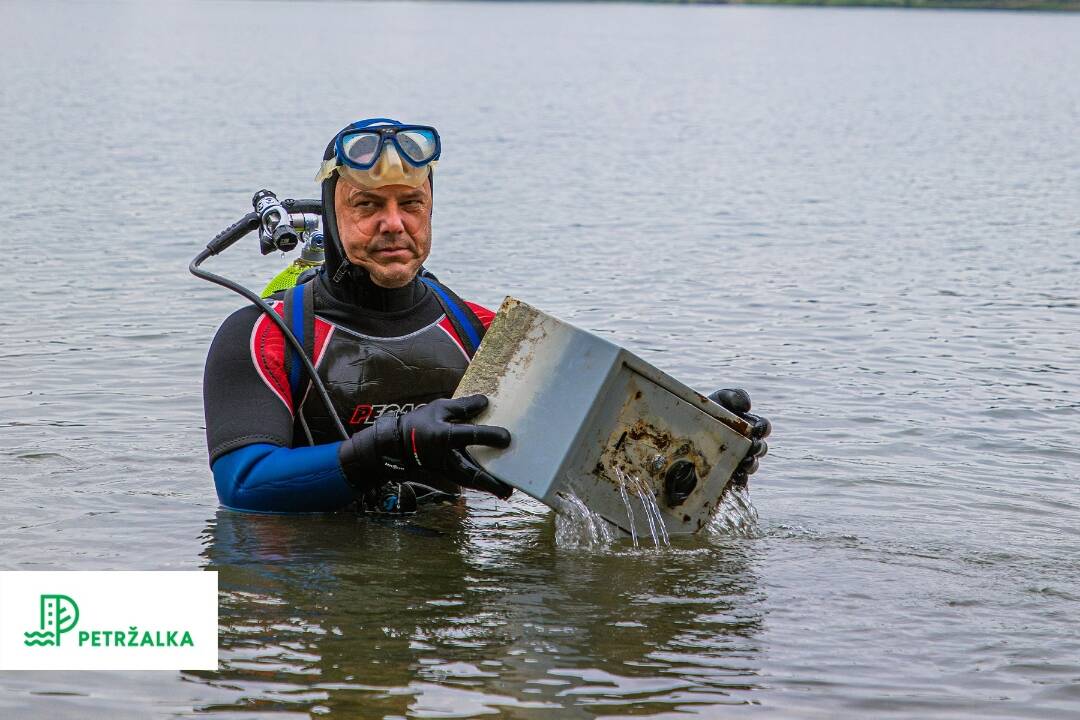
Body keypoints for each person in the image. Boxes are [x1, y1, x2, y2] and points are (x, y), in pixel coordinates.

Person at [202, 117, 769, 514]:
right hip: (307, 591)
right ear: (330, 215)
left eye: (411, 203)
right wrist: (388, 446)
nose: (394, 223)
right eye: (367, 205)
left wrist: (701, 454)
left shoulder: (483, 333)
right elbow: (244, 485)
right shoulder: (263, 335)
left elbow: (596, 458)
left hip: (446, 589)